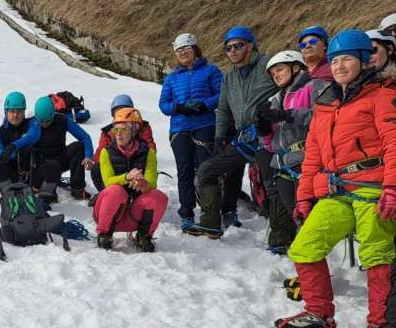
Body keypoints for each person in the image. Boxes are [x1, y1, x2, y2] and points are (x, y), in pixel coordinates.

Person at [274, 30, 396, 328]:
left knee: (376, 256)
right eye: (335, 60)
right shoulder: (326, 101)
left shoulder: (382, 95)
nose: (340, 66)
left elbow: (394, 143)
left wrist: (392, 188)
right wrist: (303, 196)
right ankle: (319, 315)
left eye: (347, 59)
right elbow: (313, 153)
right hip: (336, 190)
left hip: (373, 190)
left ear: (363, 60)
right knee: (305, 246)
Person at [187, 25, 275, 236]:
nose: (233, 51)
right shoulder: (229, 77)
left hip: (270, 135)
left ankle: (281, 236)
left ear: (250, 46)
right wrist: (219, 137)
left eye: (238, 46)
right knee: (207, 171)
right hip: (244, 137)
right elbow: (224, 108)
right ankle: (210, 222)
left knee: (274, 184)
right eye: (228, 48)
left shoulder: (267, 65)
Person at [158, 32, 222, 226]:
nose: (183, 53)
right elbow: (163, 104)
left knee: (205, 170)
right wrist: (178, 108)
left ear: (195, 49)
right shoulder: (172, 78)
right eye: (179, 50)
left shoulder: (211, 71)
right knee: (184, 170)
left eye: (186, 48)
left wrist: (204, 105)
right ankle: (186, 212)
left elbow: (222, 94)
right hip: (180, 128)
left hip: (205, 124)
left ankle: (209, 212)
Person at [252, 50, 309, 253]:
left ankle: (312, 263)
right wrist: (264, 129)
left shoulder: (312, 88)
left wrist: (288, 115)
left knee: (308, 217)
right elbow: (270, 144)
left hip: (306, 160)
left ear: (295, 68)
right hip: (283, 164)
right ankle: (304, 262)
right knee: (296, 216)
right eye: (272, 73)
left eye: (279, 70)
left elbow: (320, 117)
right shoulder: (276, 98)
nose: (276, 75)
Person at [92, 108, 168, 252]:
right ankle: (104, 234)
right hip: (108, 212)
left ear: (134, 131)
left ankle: (144, 235)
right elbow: (108, 181)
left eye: (123, 130)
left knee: (158, 197)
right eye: (115, 130)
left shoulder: (148, 153)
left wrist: (143, 184)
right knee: (115, 190)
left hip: (133, 214)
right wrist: (127, 177)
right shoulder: (106, 152)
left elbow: (152, 183)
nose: (118, 134)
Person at [30, 94, 94, 200]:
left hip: (59, 160)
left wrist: (88, 156)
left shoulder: (63, 120)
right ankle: (46, 188)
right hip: (41, 166)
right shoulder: (31, 123)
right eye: (41, 121)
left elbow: (84, 137)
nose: (44, 124)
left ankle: (78, 189)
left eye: (47, 121)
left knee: (78, 147)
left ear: (53, 114)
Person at [93, 94, 156, 196]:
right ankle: (104, 194)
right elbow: (101, 150)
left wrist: (145, 167)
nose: (118, 133)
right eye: (117, 111)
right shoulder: (107, 131)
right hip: (116, 164)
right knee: (97, 168)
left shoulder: (141, 127)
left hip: (137, 163)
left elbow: (149, 146)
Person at [0, 91, 40, 194]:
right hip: (12, 175)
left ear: (24, 112)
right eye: (12, 111)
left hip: (33, 174)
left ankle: (44, 197)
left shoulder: (32, 123)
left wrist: (14, 146)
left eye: (19, 111)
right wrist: (15, 152)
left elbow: (33, 136)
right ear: (6, 112)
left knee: (50, 165)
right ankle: (10, 194)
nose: (15, 115)